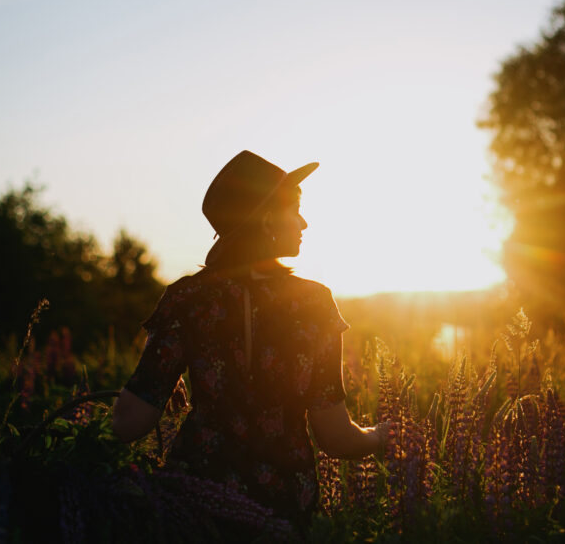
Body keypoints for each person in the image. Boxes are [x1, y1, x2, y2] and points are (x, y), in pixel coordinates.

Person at [111, 150, 389, 534]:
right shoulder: (313, 302)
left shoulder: (186, 299)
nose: (304, 221)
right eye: (295, 209)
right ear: (268, 219)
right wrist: (382, 436)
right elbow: (336, 439)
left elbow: (129, 424)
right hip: (284, 510)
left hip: (194, 504)